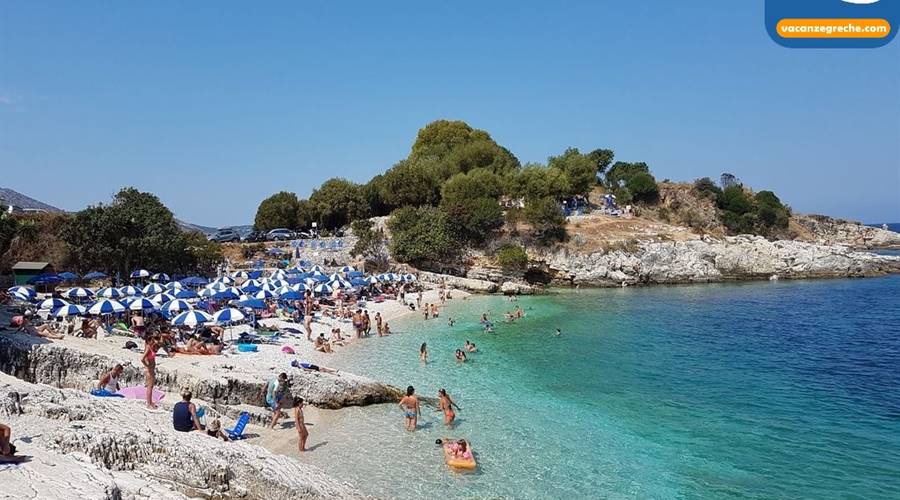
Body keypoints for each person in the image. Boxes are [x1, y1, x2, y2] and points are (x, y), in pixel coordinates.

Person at [142, 335, 159, 409]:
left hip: (151, 369)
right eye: (152, 340)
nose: (153, 341)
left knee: (151, 387)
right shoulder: (148, 347)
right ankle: (149, 403)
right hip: (149, 370)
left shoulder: (151, 347)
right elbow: (142, 358)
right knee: (149, 387)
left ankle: (150, 402)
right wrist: (147, 365)